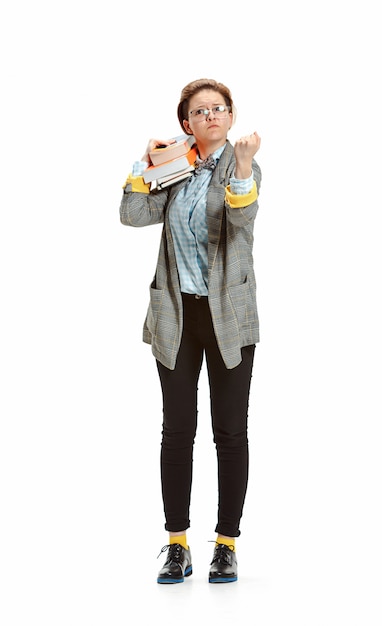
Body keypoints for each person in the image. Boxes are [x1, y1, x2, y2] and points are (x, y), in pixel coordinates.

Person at [119, 78, 261, 584]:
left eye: (218, 109)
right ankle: (177, 544)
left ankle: (226, 544)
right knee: (177, 430)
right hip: (176, 316)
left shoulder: (243, 167)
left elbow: (241, 228)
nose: (210, 117)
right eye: (200, 112)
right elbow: (132, 214)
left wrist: (243, 168)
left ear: (230, 116)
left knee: (230, 431)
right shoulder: (175, 169)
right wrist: (146, 163)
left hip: (229, 318)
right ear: (187, 124)